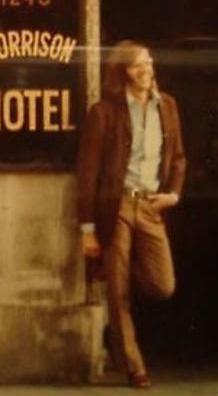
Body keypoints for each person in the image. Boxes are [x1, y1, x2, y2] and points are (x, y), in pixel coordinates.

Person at [77, 40, 186, 388]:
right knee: (119, 293)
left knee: (162, 284)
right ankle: (134, 367)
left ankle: (119, 265)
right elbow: (88, 173)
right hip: (117, 205)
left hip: (152, 205)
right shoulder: (104, 111)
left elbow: (179, 158)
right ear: (123, 70)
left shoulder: (167, 106)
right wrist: (88, 229)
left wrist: (173, 194)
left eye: (149, 62)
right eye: (137, 65)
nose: (146, 70)